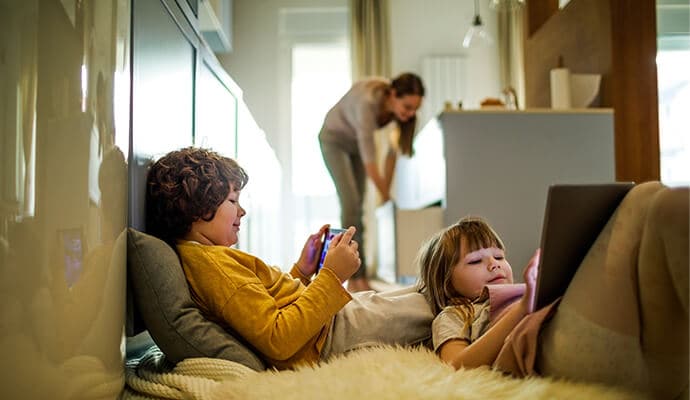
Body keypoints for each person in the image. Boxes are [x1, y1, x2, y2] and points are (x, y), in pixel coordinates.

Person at [145, 147, 433, 371]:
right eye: (233, 201)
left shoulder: (210, 259)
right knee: (432, 306)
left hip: (328, 325)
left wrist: (302, 271)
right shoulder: (214, 268)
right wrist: (331, 276)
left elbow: (270, 308)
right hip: (331, 337)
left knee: (422, 295)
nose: (242, 212)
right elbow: (278, 339)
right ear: (193, 208)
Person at [416, 183, 689, 399]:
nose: (492, 264)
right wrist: (524, 308)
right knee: (650, 198)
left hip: (642, 356)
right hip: (551, 348)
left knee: (656, 197)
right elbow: (456, 365)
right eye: (475, 260)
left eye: (499, 256)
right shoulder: (455, 313)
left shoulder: (527, 287)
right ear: (446, 283)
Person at [319, 72, 425, 292]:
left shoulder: (398, 112)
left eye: (415, 109)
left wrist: (387, 191)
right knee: (351, 205)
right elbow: (371, 159)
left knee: (359, 209)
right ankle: (354, 278)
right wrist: (384, 193)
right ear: (393, 95)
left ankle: (360, 274)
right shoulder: (368, 102)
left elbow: (390, 156)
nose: (410, 114)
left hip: (354, 146)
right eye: (407, 107)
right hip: (333, 141)